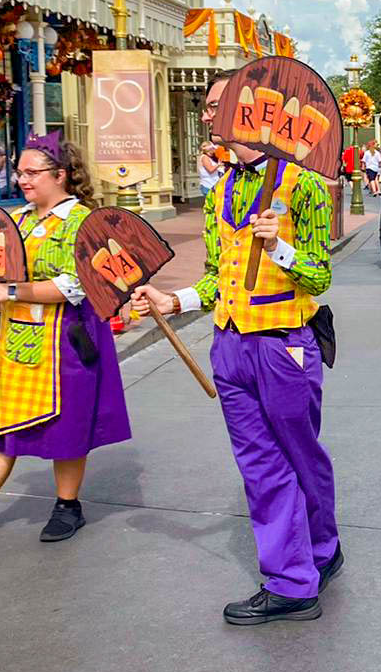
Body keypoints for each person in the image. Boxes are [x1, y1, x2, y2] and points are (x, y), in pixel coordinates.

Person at [131, 116, 338, 624]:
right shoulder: (219, 187)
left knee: (300, 455)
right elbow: (214, 278)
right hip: (230, 346)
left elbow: (321, 276)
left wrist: (278, 248)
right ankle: (293, 580)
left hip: (283, 344)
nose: (205, 118)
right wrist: (172, 299)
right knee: (260, 464)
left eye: (216, 108)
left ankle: (322, 547)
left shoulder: (304, 184)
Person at [0, 134, 131, 543]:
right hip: (18, 338)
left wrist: (10, 291)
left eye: (31, 172)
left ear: (61, 175)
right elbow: (5, 275)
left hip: (66, 340)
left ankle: (68, 506)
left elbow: (78, 286)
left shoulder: (84, 221)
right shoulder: (19, 219)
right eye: (19, 172)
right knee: (2, 424)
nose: (22, 179)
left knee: (67, 426)